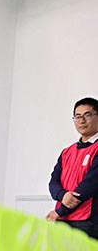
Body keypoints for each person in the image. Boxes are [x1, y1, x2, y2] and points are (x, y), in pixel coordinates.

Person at [47, 97, 98, 238]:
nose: (82, 120)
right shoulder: (67, 152)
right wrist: (62, 195)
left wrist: (60, 211)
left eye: (87, 115)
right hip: (63, 220)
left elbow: (88, 186)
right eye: (77, 116)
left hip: (88, 222)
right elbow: (53, 182)